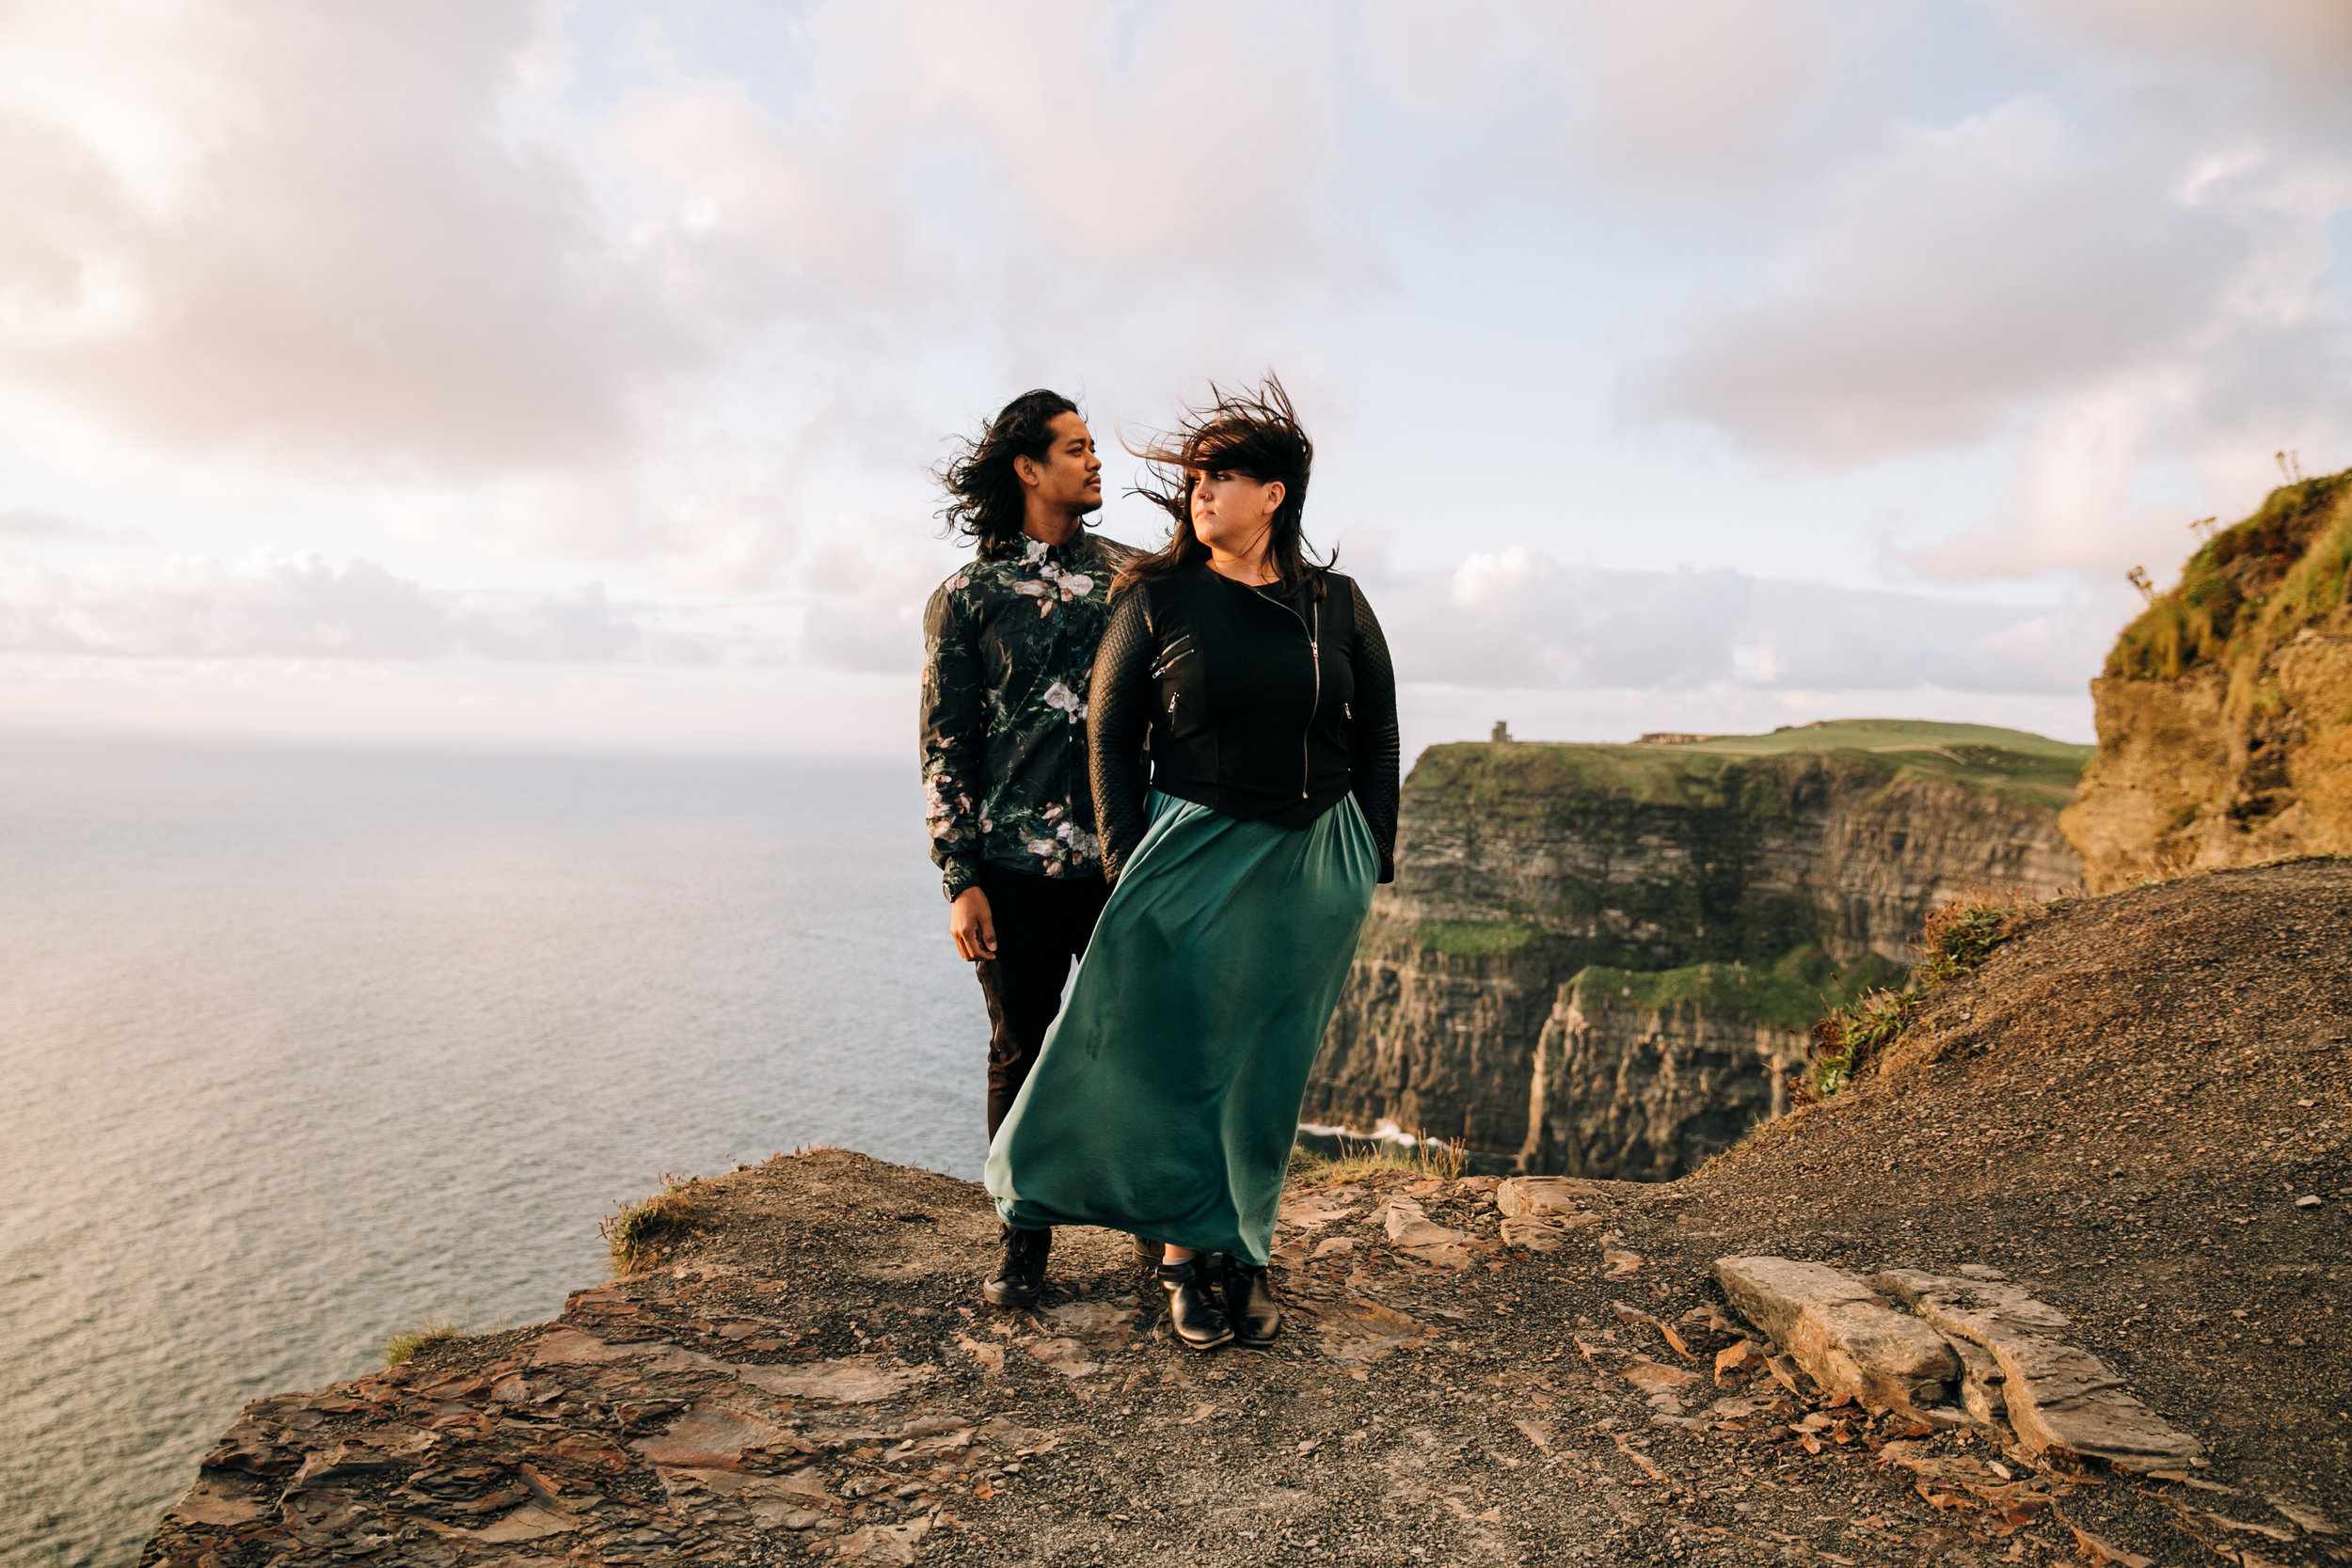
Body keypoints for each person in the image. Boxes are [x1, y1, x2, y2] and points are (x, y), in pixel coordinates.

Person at [983, 376, 1399, 1350]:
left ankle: (1245, 1249)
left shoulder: (1334, 602)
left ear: (1274, 494)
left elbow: (1375, 727)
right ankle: (1179, 1257)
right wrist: (1131, 860)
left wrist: (1370, 852)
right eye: (1193, 479)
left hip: (1315, 856)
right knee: (1184, 1060)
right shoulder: (1157, 596)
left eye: (1220, 477)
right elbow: (1108, 735)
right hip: (1194, 847)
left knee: (1267, 1065)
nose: (1198, 493)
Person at [919, 388, 1135, 1308]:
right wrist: (959, 878)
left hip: (1125, 865)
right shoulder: (968, 597)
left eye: (1094, 448)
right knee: (1019, 1052)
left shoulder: (1131, 578)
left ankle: (1163, 1239)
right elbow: (945, 741)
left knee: (1142, 1046)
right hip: (1011, 874)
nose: (1097, 462)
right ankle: (1022, 1245)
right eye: (1077, 447)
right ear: (1028, 467)